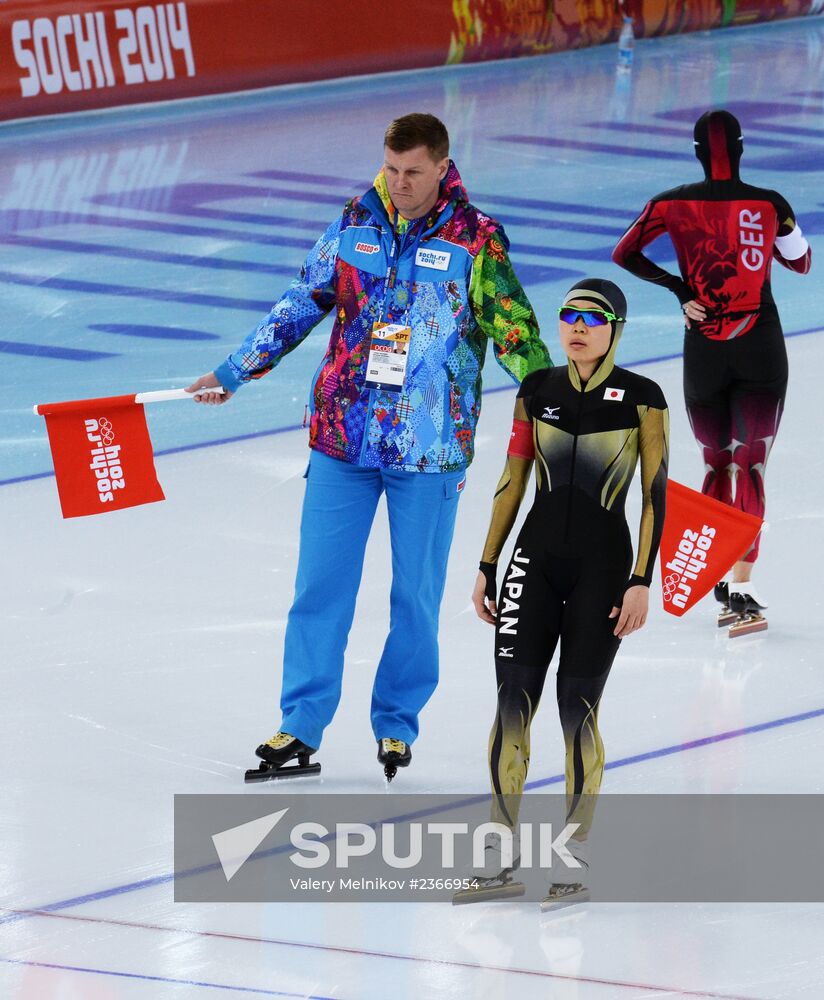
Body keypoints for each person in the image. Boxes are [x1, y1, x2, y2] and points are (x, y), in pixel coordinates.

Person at [187, 112, 551, 780]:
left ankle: (395, 724)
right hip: (341, 438)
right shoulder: (355, 221)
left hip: (429, 449)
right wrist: (235, 371)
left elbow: (517, 335)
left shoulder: (477, 241)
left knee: (414, 595)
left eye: (413, 172)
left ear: (443, 168)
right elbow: (302, 301)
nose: (399, 183)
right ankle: (299, 727)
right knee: (318, 588)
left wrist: (556, 399)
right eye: (391, 168)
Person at [454, 278, 668, 910]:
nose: (577, 327)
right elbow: (511, 480)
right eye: (568, 315)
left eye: (592, 318)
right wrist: (488, 563)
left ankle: (573, 859)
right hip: (533, 561)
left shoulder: (643, 398)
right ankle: (498, 860)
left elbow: (657, 493)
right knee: (511, 702)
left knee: (578, 708)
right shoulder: (536, 390)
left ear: (616, 329)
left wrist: (640, 579)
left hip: (605, 569)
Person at [612, 109, 811, 629]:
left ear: (697, 153)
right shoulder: (770, 204)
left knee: (715, 463)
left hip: (703, 346)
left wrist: (681, 289)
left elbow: (624, 253)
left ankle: (721, 587)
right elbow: (803, 261)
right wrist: (761, 240)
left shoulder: (671, 204)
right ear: (742, 149)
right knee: (752, 464)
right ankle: (742, 591)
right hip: (759, 343)